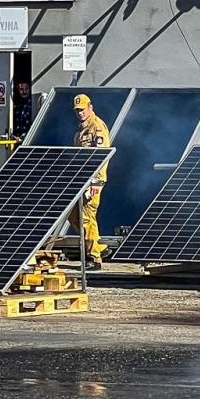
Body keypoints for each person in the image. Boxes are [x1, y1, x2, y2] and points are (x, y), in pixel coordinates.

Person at [72, 93, 112, 268]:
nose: (80, 113)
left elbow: (102, 157)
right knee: (73, 215)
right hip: (81, 180)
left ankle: (94, 257)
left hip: (94, 181)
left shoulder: (97, 127)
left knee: (87, 215)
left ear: (90, 107)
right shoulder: (81, 130)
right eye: (77, 110)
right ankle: (99, 247)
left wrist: (95, 182)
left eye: (82, 109)